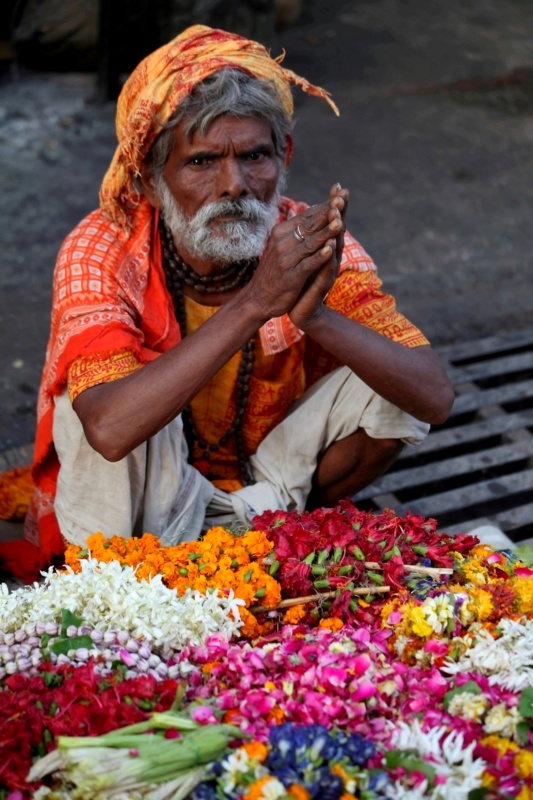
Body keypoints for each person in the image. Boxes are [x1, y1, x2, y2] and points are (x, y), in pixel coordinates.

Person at [0, 25, 454, 581]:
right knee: (92, 396)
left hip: (272, 487)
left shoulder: (305, 239)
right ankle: (116, 586)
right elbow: (111, 430)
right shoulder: (103, 246)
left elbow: (432, 396)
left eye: (255, 156)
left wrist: (312, 314)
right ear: (149, 178)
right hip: (145, 506)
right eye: (202, 162)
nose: (234, 184)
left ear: (282, 157)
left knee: (388, 377)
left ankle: (266, 536)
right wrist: (257, 304)